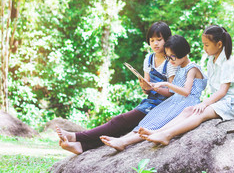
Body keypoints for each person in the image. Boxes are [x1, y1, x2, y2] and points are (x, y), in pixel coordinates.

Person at [56, 21, 177, 154]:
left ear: (167, 39)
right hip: (149, 102)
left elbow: (172, 93)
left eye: (159, 40)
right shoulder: (148, 59)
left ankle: (75, 136)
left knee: (119, 121)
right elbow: (146, 89)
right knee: (122, 128)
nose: (155, 43)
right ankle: (82, 146)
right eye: (152, 40)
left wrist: (156, 88)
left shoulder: (171, 61)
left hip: (162, 106)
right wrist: (145, 87)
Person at [139, 25, 234, 146]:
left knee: (199, 113)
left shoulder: (228, 62)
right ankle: (158, 131)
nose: (204, 48)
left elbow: (222, 91)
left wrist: (204, 103)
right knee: (188, 110)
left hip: (231, 103)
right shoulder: (212, 60)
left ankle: (167, 135)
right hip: (219, 102)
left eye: (206, 45)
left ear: (219, 44)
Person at [100, 35, 207, 151]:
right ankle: (121, 140)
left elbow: (186, 92)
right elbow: (174, 91)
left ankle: (124, 142)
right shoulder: (180, 67)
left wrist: (166, 84)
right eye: (168, 57)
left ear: (183, 53)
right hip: (175, 101)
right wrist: (155, 87)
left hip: (186, 103)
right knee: (149, 120)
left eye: (173, 57)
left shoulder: (192, 69)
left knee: (157, 123)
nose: (170, 61)